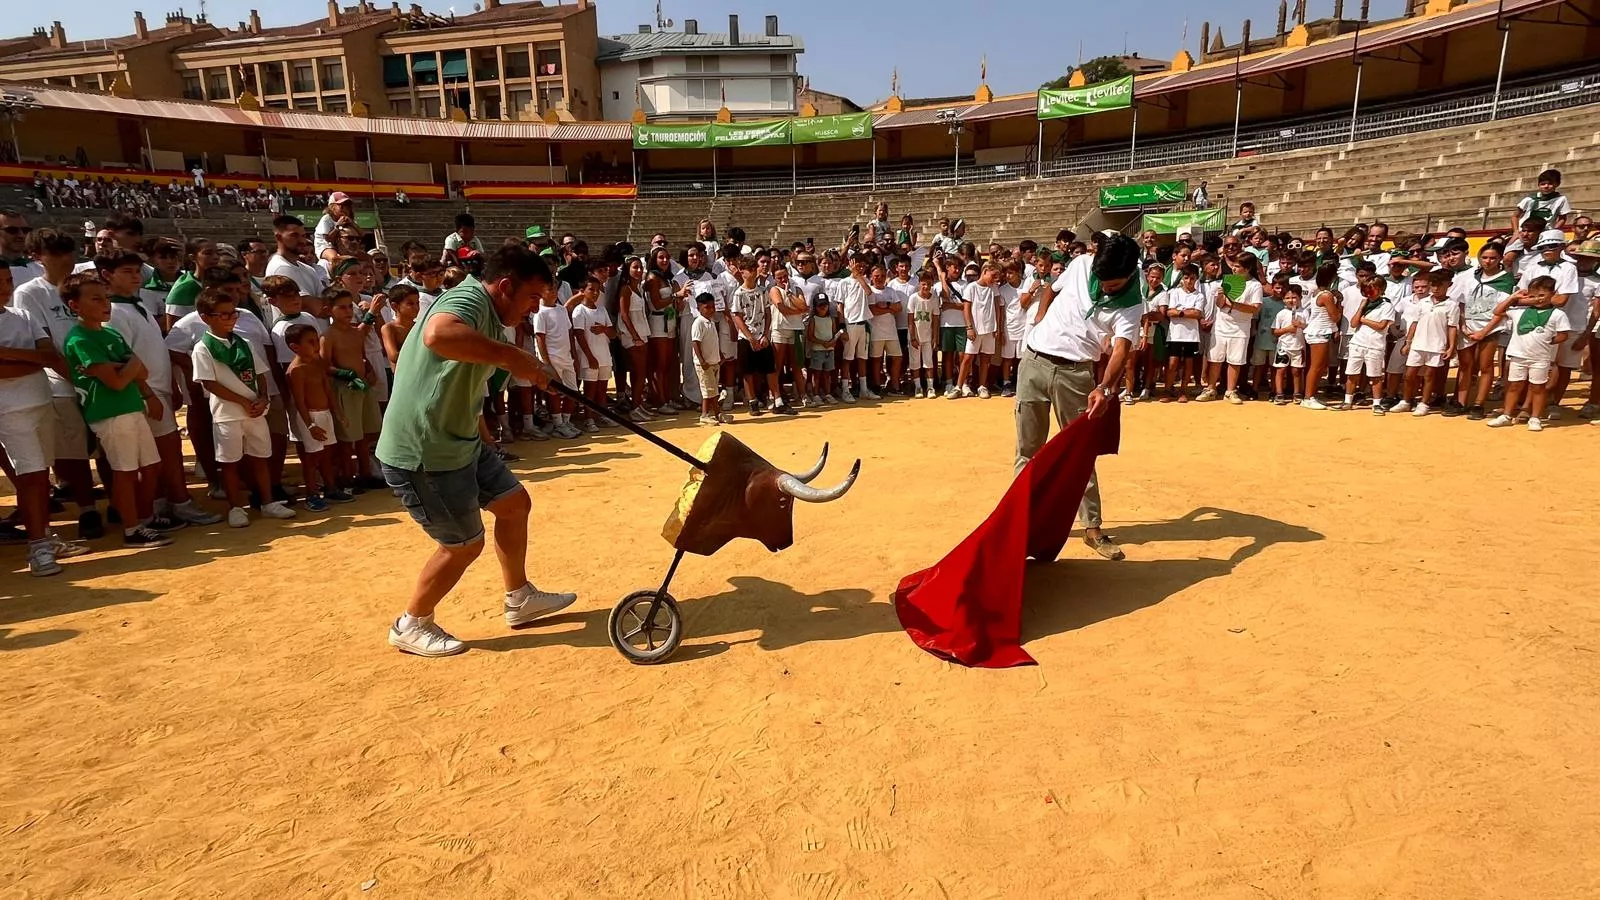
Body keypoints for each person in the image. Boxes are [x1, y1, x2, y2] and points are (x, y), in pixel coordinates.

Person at [376, 244, 577, 657]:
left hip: (460, 437)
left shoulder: (489, 313)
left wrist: (528, 368)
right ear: (505, 286)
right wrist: (514, 357)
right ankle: (411, 623)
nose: (534, 308)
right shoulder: (467, 298)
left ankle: (518, 597)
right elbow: (438, 334)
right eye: (532, 298)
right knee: (463, 544)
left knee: (513, 503)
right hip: (425, 449)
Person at [1015, 232, 1144, 561]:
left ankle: (1092, 528)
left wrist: (1104, 387)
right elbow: (1049, 289)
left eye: (1112, 286)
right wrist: (1041, 319)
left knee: (1079, 454)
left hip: (1075, 374)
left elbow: (1120, 350)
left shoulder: (1132, 303)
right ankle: (1016, 526)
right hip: (1033, 362)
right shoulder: (1082, 264)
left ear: (1129, 275)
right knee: (1027, 450)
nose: (1104, 289)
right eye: (1100, 281)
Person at [99, 251, 219, 529]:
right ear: (108, 275)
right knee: (163, 452)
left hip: (158, 389)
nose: (135, 276)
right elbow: (123, 359)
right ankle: (178, 503)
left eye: (136, 271)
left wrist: (171, 388)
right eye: (126, 271)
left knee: (164, 452)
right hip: (144, 393)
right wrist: (147, 393)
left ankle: (164, 504)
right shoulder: (115, 313)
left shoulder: (135, 305)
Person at [58, 273, 173, 549]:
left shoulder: (109, 333)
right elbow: (118, 381)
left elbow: (138, 370)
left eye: (105, 297)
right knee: (125, 471)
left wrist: (134, 373)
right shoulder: (79, 339)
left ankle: (143, 517)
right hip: (109, 412)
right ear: (75, 305)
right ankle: (132, 528)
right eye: (95, 299)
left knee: (151, 465)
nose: (105, 304)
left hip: (131, 406)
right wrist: (130, 364)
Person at [0, 265, 85, 575]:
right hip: (10, 412)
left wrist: (7, 354)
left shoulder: (22, 316)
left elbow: (48, 355)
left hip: (40, 402)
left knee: (41, 477)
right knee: (32, 478)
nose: (5, 288)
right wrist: (29, 359)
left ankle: (45, 538)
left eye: (8, 281)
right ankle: (38, 549)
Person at [191, 290, 296, 528]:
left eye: (233, 314)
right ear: (206, 317)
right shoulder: (203, 348)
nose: (231, 319)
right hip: (227, 414)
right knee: (230, 462)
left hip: (255, 411)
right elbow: (209, 383)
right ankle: (235, 507)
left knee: (260, 458)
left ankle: (268, 502)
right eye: (224, 315)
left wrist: (262, 398)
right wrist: (242, 401)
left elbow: (260, 374)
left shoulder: (245, 343)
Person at [1486, 276, 1570, 431]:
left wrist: (1550, 341)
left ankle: (1535, 417)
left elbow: (1564, 335)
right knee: (1513, 386)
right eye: (1533, 296)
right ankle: (1506, 415)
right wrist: (1513, 297)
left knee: (1538, 387)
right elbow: (1497, 311)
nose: (1538, 299)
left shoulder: (1558, 314)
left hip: (1540, 358)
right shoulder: (1520, 312)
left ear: (1553, 294)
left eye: (1542, 295)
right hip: (1518, 355)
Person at [321, 287, 384, 487]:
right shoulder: (328, 336)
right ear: (328, 310)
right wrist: (343, 373)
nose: (348, 311)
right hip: (344, 389)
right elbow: (324, 366)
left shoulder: (355, 332)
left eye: (350, 307)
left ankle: (365, 474)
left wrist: (370, 369)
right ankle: (347, 477)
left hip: (362, 386)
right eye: (342, 308)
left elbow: (362, 356)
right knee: (348, 437)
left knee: (366, 434)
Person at [1448, 243, 1516, 420]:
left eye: (1493, 258)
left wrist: (1484, 332)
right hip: (1468, 326)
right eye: (1484, 257)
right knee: (1465, 366)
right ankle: (1461, 402)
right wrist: (1462, 325)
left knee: (1485, 366)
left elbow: (1501, 310)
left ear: (1500, 259)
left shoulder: (1506, 279)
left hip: (1490, 328)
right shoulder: (1470, 277)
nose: (1488, 261)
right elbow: (1461, 302)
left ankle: (1479, 403)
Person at [284, 323, 342, 512]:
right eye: (310, 342)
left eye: (316, 340)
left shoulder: (318, 362)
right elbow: (299, 402)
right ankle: (311, 494)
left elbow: (327, 389)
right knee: (311, 459)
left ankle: (331, 488)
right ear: (295, 347)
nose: (316, 344)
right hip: (310, 417)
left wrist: (337, 413)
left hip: (324, 414)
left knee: (327, 455)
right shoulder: (296, 371)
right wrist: (310, 425)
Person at [1393, 269, 1458, 416]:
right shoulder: (1423, 302)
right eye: (1433, 285)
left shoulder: (1451, 305)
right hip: (1417, 344)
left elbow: (1452, 327)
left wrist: (1451, 346)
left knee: (1429, 376)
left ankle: (1424, 403)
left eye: (1439, 285)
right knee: (1409, 375)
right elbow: (1415, 323)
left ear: (1448, 285)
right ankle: (1406, 401)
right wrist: (1408, 342)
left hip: (1437, 345)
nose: (1435, 288)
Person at [533, 277, 582, 439]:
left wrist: (574, 356)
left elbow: (569, 333)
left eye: (555, 290)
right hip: (552, 358)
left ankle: (566, 421)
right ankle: (558, 423)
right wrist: (546, 363)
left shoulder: (561, 310)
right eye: (550, 290)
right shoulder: (540, 313)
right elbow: (540, 338)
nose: (553, 293)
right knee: (554, 392)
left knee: (572, 390)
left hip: (566, 356)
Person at [1340, 278, 1393, 414]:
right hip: (1358, 342)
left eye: (1372, 289)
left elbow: (1381, 326)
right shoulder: (1364, 304)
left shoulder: (1386, 305)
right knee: (1352, 373)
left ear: (1380, 289)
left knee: (1375, 375)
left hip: (1374, 345)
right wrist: (1361, 308)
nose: (1368, 293)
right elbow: (1353, 323)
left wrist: (1364, 320)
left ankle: (1376, 403)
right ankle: (1347, 401)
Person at [571, 276, 614, 433]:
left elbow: (613, 333)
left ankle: (601, 415)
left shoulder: (602, 310)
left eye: (597, 290)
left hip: (604, 355)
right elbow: (579, 335)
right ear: (582, 291)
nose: (595, 293)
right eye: (591, 290)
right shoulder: (579, 311)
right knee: (590, 390)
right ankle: (588, 418)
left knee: (602, 389)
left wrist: (604, 329)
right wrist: (590, 357)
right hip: (589, 357)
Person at [1161, 264, 1207, 402]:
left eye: (1192, 278)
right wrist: (1186, 312)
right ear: (1182, 278)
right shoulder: (1174, 292)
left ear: (1196, 279)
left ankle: (1183, 391)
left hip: (1191, 336)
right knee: (1172, 363)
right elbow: (1169, 312)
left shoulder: (1199, 296)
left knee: (1188, 364)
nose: (1189, 281)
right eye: (1186, 278)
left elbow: (1198, 313)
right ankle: (1168, 390)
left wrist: (1179, 311)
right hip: (1175, 334)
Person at [957, 262, 1002, 399]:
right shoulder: (971, 287)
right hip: (975, 329)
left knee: (985, 358)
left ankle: (982, 386)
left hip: (989, 329)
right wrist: (969, 327)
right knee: (968, 357)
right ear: (985, 271)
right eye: (993, 275)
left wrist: (997, 327)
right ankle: (959, 386)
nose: (995, 279)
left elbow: (997, 307)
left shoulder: (993, 288)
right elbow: (966, 308)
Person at [866, 263, 904, 398]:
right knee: (876, 360)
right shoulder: (870, 291)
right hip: (876, 332)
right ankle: (877, 386)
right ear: (871, 277)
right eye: (877, 276)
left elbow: (899, 307)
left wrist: (886, 305)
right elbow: (873, 310)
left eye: (882, 276)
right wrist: (889, 309)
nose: (880, 278)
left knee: (897, 358)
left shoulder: (891, 291)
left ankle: (894, 386)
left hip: (891, 331)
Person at [691, 293, 727, 426]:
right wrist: (702, 361)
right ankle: (704, 414)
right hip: (704, 364)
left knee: (713, 390)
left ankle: (717, 413)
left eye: (713, 307)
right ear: (699, 308)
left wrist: (719, 355)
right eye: (707, 307)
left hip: (713, 361)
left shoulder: (711, 322)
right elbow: (695, 343)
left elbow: (713, 341)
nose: (711, 310)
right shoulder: (698, 323)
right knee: (708, 390)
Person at [1272, 284, 1308, 405]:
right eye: (1287, 298)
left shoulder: (1305, 312)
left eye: (1294, 297)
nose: (1291, 300)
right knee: (1280, 370)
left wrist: (1301, 325)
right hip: (1283, 347)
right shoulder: (1281, 314)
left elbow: (1309, 328)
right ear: (1283, 299)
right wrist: (1288, 329)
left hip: (1299, 346)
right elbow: (1276, 331)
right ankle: (1279, 393)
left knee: (1297, 371)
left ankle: (1297, 393)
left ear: (1300, 297)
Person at [906, 269, 939, 398]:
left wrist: (935, 337)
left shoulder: (934, 299)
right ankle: (918, 387)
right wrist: (913, 336)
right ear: (919, 284)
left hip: (928, 336)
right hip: (915, 336)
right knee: (915, 362)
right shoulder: (913, 298)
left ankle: (930, 387)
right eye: (923, 284)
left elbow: (935, 319)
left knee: (928, 362)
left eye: (929, 284)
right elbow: (910, 319)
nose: (926, 287)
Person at [804, 292, 840, 407]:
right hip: (817, 350)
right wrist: (822, 342)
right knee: (817, 373)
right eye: (820, 305)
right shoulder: (813, 319)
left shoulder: (831, 319)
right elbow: (810, 336)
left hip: (829, 350)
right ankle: (815, 394)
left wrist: (833, 342)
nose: (823, 307)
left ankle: (828, 394)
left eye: (825, 305)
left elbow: (834, 333)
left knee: (827, 373)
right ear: (815, 307)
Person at [1513, 168, 1570, 234]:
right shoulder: (1530, 199)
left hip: (1545, 233)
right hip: (1525, 232)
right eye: (1543, 184)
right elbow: (1515, 216)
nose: (1546, 186)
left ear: (1557, 184)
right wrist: (1516, 231)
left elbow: (1562, 218)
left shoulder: (1561, 199)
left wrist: (1553, 231)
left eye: (1550, 184)